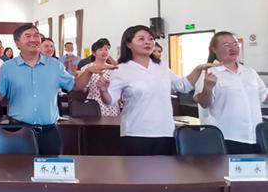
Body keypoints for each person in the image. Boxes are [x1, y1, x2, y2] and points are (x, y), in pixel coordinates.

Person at [0, 24, 111, 155]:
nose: (33, 39)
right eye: (27, 36)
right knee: (20, 167)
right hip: (18, 131)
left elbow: (76, 87)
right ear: (17, 43)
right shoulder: (7, 67)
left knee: (51, 166)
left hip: (49, 132)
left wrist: (89, 71)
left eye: (36, 36)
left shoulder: (55, 65)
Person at [98, 25, 210, 156]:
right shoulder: (121, 69)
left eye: (151, 39)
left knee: (165, 169)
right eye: (141, 39)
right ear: (128, 44)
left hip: (165, 132)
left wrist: (198, 69)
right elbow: (110, 101)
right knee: (138, 169)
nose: (148, 42)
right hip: (136, 133)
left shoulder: (161, 66)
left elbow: (183, 86)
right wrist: (103, 91)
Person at [194, 31, 267, 154]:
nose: (233, 48)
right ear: (214, 49)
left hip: (255, 137)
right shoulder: (208, 73)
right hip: (226, 138)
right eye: (226, 45)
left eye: (235, 44)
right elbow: (204, 104)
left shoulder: (250, 72)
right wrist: (208, 87)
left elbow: (264, 96)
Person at [80, 39, 120, 116]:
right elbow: (83, 89)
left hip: (112, 105)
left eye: (106, 49)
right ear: (94, 53)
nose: (104, 52)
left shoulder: (113, 68)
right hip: (94, 105)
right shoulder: (86, 68)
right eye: (100, 50)